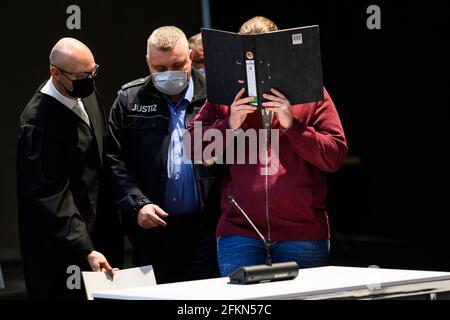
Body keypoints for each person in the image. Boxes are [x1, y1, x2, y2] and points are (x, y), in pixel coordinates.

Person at [186, 17, 348, 276]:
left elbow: (334, 156)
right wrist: (230, 123)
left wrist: (292, 126)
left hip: (302, 231)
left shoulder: (310, 91)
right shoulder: (226, 94)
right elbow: (194, 149)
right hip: (240, 232)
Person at [107, 26, 221, 284]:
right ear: (148, 63)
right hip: (152, 230)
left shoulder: (216, 96)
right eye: (159, 68)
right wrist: (137, 204)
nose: (169, 73)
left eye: (177, 64)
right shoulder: (129, 100)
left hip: (208, 227)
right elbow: (115, 160)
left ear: (191, 57)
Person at [17, 38, 121, 299]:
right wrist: (84, 247)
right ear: (55, 72)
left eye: (92, 71)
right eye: (81, 75)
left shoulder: (85, 92)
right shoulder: (37, 124)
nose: (89, 79)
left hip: (98, 235)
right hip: (63, 246)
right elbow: (50, 196)